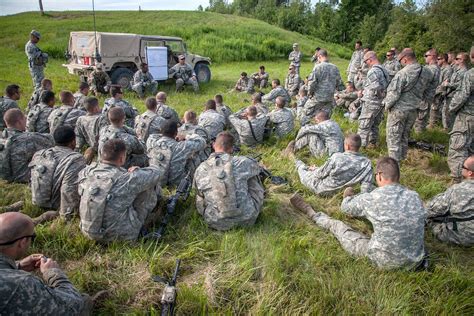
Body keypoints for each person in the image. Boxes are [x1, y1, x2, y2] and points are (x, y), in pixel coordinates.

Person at [291, 157, 426, 269]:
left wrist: (347, 196)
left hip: (384, 261)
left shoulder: (373, 198)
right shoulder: (415, 196)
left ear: (379, 176)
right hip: (416, 261)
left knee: (338, 227)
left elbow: (346, 208)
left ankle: (312, 213)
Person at [0, 212, 89, 314]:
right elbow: (72, 305)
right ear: (23, 242)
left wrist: (18, 266)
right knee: (84, 300)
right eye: (32, 236)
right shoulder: (22, 283)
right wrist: (54, 273)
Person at [78, 139, 162, 242]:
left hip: (87, 232)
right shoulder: (127, 178)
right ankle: (146, 222)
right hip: (119, 237)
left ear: (101, 154)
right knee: (150, 185)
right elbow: (157, 173)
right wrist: (139, 170)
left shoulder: (86, 172)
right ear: (122, 158)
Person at [194, 132, 265, 231]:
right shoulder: (243, 162)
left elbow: (199, 194)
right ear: (231, 149)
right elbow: (259, 169)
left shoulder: (201, 168)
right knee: (253, 176)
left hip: (214, 221)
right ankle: (250, 208)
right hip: (247, 219)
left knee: (199, 192)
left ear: (214, 145)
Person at [383, 48, 433, 162]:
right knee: (404, 136)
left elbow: (394, 94)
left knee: (393, 138)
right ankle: (403, 158)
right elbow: (430, 91)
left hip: (399, 110)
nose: (400, 63)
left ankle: (394, 165)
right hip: (414, 110)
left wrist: (386, 107)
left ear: (405, 59)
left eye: (400, 60)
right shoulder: (427, 72)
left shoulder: (403, 73)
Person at [29, 126, 86, 221]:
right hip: (57, 203)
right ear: (73, 141)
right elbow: (69, 188)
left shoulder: (40, 154)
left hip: (38, 199)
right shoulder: (75, 159)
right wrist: (67, 215)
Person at [293, 134, 374, 196]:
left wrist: (313, 170)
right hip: (342, 192)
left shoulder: (337, 157)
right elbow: (366, 187)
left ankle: (294, 159)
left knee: (302, 170)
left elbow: (319, 174)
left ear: (347, 146)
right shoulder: (367, 163)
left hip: (323, 189)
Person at [426, 155, 474, 246]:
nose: (461, 168)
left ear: (470, 173)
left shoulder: (457, 190)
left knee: (429, 219)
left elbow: (434, 209)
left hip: (462, 236)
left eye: (463, 167)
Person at [147, 120, 206, 187]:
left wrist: (165, 134)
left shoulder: (152, 142)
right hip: (176, 183)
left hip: (157, 182)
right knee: (195, 156)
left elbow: (153, 136)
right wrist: (186, 136)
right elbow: (202, 142)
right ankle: (192, 183)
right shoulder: (181, 146)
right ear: (176, 133)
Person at [0, 109, 54, 183]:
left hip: (4, 175)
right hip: (21, 177)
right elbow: (51, 140)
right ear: (20, 122)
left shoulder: (2, 138)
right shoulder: (27, 138)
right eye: (25, 119)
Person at [447, 47, 474, 183]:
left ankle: (458, 183)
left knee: (458, 150)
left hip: (467, 117)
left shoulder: (471, 74)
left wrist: (451, 108)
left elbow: (463, 95)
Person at [357, 51, 390, 148]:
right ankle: (372, 143)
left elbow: (376, 87)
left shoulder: (373, 71)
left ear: (370, 59)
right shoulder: (383, 69)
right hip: (380, 102)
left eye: (365, 61)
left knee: (364, 125)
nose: (365, 63)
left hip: (371, 102)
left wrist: (364, 93)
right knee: (374, 124)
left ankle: (360, 147)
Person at [303, 49, 344, 124]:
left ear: (319, 56)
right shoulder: (335, 68)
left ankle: (305, 130)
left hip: (318, 97)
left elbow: (312, 83)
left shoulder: (318, 67)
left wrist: (310, 93)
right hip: (329, 98)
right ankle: (325, 131)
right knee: (325, 117)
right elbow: (339, 84)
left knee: (306, 113)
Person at [414, 49, 441, 133]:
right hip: (425, 97)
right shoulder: (431, 68)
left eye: (426, 56)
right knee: (420, 118)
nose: (424, 57)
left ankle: (418, 137)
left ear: (432, 56)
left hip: (424, 97)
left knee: (420, 119)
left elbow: (424, 83)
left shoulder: (432, 69)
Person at [440, 52, 469, 130]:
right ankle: (447, 128)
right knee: (446, 112)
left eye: (457, 59)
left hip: (454, 95)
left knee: (449, 113)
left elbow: (460, 84)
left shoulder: (464, 72)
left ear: (462, 60)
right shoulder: (457, 70)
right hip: (450, 94)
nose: (455, 60)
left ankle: (449, 129)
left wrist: (448, 84)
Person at [75, 97, 108, 163]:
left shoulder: (80, 119)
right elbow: (105, 136)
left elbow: (79, 138)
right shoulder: (101, 119)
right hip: (101, 149)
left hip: (88, 146)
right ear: (96, 107)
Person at [429, 53, 454, 128]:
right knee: (433, 108)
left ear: (443, 60)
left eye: (439, 59)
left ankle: (433, 124)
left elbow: (445, 83)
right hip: (437, 91)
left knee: (435, 108)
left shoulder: (448, 69)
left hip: (441, 93)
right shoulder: (440, 68)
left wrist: (435, 92)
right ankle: (432, 124)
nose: (437, 61)